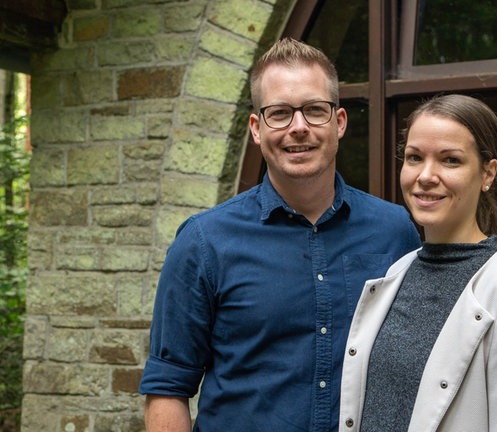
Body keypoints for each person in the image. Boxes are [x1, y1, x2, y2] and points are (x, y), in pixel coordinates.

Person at [139, 38, 421, 432]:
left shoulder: (395, 233)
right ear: (257, 128)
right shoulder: (204, 242)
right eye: (280, 113)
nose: (299, 127)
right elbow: (168, 387)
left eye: (314, 110)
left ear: (338, 122)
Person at [339, 94, 497, 431]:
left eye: (450, 160)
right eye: (415, 157)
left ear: (487, 173)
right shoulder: (397, 273)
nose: (426, 175)